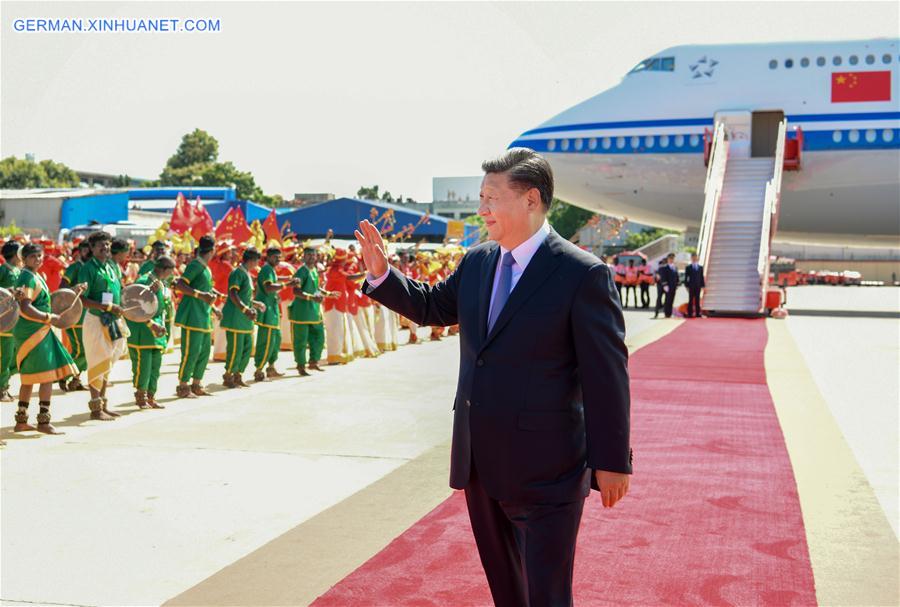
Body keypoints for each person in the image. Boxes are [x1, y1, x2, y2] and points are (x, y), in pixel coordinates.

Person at [357, 148, 632, 607]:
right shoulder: (478, 262)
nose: (481, 209)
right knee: (507, 590)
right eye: (480, 196)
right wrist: (383, 275)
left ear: (530, 200)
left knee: (546, 593)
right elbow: (431, 307)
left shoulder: (582, 275)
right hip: (480, 461)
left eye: (491, 198)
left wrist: (613, 459)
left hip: (550, 468)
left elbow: (607, 376)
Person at [13, 243, 81, 434]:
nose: (38, 259)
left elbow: (43, 300)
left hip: (37, 330)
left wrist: (72, 290)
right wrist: (48, 317)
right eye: (33, 256)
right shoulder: (27, 276)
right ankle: (43, 422)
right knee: (47, 376)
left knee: (29, 378)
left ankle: (21, 420)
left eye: (40, 256)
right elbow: (25, 307)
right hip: (34, 332)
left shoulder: (34, 275)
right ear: (24, 259)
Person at [79, 231, 130, 420]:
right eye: (100, 245)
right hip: (96, 320)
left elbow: (120, 290)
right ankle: (95, 408)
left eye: (107, 244)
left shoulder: (112, 266)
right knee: (97, 361)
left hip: (114, 320)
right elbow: (82, 299)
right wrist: (106, 306)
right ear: (91, 248)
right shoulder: (87, 269)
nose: (105, 248)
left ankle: (103, 403)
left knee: (109, 361)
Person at [173, 235, 220, 399]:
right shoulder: (196, 265)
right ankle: (183, 386)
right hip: (193, 315)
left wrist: (213, 306)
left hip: (204, 315)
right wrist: (202, 295)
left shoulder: (206, 268)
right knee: (191, 352)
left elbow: (204, 291)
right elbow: (179, 285)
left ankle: (197, 383)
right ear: (213, 250)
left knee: (204, 352)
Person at [126, 256, 175, 409]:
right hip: (144, 330)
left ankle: (151, 396)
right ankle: (141, 396)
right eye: (170, 271)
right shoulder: (144, 281)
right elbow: (132, 304)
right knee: (144, 365)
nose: (172, 274)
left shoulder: (162, 283)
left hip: (158, 331)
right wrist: (148, 293)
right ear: (164, 269)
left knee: (155, 365)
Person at [253, 245, 297, 382]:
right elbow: (268, 286)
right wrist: (287, 285)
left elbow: (275, 280)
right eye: (275, 257)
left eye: (279, 257)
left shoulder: (270, 269)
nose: (278, 259)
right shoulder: (266, 269)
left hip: (273, 309)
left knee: (275, 339)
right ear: (268, 257)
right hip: (267, 310)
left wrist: (288, 279)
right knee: (266, 340)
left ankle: (271, 368)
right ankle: (259, 370)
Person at [221, 247, 263, 388]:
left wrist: (255, 304)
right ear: (251, 260)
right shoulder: (237, 273)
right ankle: (229, 375)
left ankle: (238, 374)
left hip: (245, 319)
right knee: (235, 348)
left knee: (247, 348)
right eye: (257, 259)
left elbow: (245, 296)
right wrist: (245, 309)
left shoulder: (247, 274)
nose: (258, 262)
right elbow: (233, 293)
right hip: (236, 318)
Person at [289, 246, 329, 376]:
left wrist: (328, 293)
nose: (312, 257)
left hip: (314, 311)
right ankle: (301, 365)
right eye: (309, 255)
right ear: (303, 257)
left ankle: (313, 361)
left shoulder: (314, 270)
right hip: (301, 312)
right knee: (301, 340)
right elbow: (296, 291)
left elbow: (316, 288)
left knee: (319, 337)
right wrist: (312, 297)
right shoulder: (301, 271)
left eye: (314, 255)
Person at [59, 239, 92, 392]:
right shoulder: (74, 267)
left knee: (88, 349)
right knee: (80, 349)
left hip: (90, 315)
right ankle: (64, 375)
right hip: (74, 314)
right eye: (85, 249)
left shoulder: (93, 268)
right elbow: (62, 289)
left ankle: (76, 380)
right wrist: (75, 288)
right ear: (80, 252)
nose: (88, 252)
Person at [0, 241, 23, 402]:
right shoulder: (3, 270)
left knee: (15, 354)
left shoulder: (18, 271)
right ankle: (2, 388)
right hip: (4, 319)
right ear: (16, 254)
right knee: (5, 355)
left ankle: (5, 383)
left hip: (16, 318)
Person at [654, 253, 679, 319]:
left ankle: (669, 314)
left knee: (671, 300)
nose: (671, 260)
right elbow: (662, 277)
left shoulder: (675, 267)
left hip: (673, 286)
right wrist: (665, 285)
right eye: (670, 258)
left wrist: (677, 284)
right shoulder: (664, 267)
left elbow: (676, 277)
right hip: (665, 286)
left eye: (672, 258)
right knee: (663, 300)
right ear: (667, 259)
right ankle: (660, 312)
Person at [684, 252, 705, 318]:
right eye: (693, 257)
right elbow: (686, 277)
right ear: (691, 258)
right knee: (690, 300)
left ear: (697, 258)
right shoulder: (688, 267)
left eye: (695, 257)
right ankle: (690, 313)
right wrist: (686, 286)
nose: (694, 258)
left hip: (698, 286)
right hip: (691, 286)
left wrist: (703, 286)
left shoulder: (700, 267)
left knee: (697, 300)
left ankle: (698, 313)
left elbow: (701, 277)